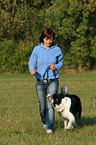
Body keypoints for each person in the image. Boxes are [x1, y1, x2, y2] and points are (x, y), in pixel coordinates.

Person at [28, 28, 63, 133]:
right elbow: (32, 61)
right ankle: (44, 121)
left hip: (52, 81)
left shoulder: (57, 50)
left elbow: (61, 62)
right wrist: (32, 69)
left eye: (51, 39)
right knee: (43, 106)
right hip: (40, 82)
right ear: (43, 38)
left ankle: (49, 127)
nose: (49, 41)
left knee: (50, 106)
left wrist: (56, 66)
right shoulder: (37, 49)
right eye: (47, 39)